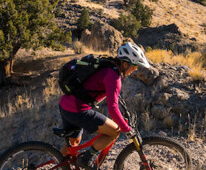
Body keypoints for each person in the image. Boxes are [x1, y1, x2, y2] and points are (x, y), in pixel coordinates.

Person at [59, 42, 154, 170]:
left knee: (73, 144)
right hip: (78, 109)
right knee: (115, 131)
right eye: (135, 66)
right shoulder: (113, 76)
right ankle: (86, 160)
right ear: (125, 64)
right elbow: (112, 108)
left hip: (66, 105)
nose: (136, 69)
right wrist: (126, 129)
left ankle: (57, 161)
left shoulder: (108, 65)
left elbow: (114, 98)